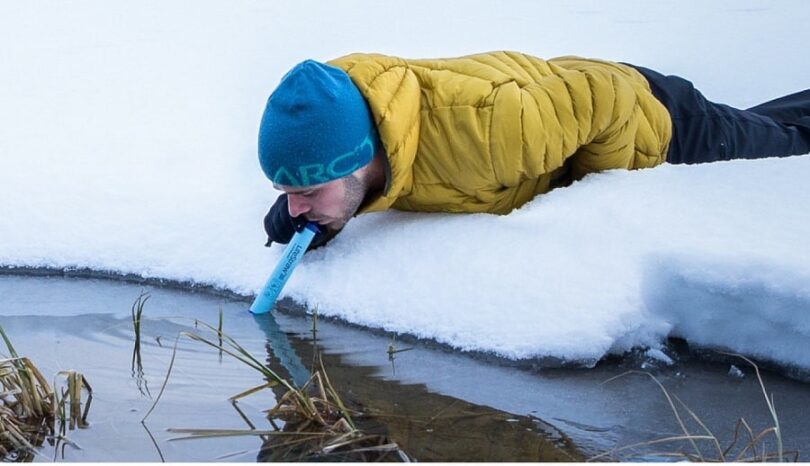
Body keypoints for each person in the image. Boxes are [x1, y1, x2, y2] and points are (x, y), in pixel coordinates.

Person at [258, 51, 810, 249]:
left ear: (358, 158)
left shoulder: (491, 135)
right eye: (289, 193)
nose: (296, 206)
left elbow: (608, 96)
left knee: (785, 143)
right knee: (769, 123)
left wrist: (598, 193)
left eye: (306, 192)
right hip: (558, 104)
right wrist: (313, 213)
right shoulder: (342, 127)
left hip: (658, 122)